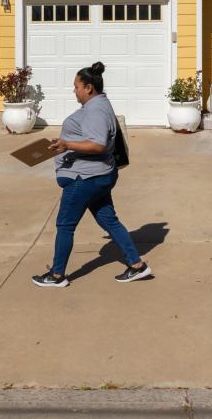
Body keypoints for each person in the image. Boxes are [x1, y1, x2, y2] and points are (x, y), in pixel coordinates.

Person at [31, 61, 152, 288]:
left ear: (88, 87)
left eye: (76, 86)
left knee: (65, 225)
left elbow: (97, 145)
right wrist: (65, 144)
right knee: (109, 221)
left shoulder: (96, 109)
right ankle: (137, 266)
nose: (73, 90)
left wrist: (67, 145)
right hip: (98, 176)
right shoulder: (98, 104)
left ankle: (57, 276)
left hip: (85, 178)